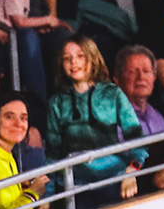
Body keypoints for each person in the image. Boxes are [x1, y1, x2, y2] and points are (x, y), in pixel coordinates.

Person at [46, 37, 147, 197]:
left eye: (80, 56)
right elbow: (53, 155)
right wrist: (48, 197)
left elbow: (137, 137)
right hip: (74, 187)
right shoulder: (57, 102)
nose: (73, 62)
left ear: (93, 58)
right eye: (67, 58)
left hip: (113, 181)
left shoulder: (112, 93)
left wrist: (132, 170)